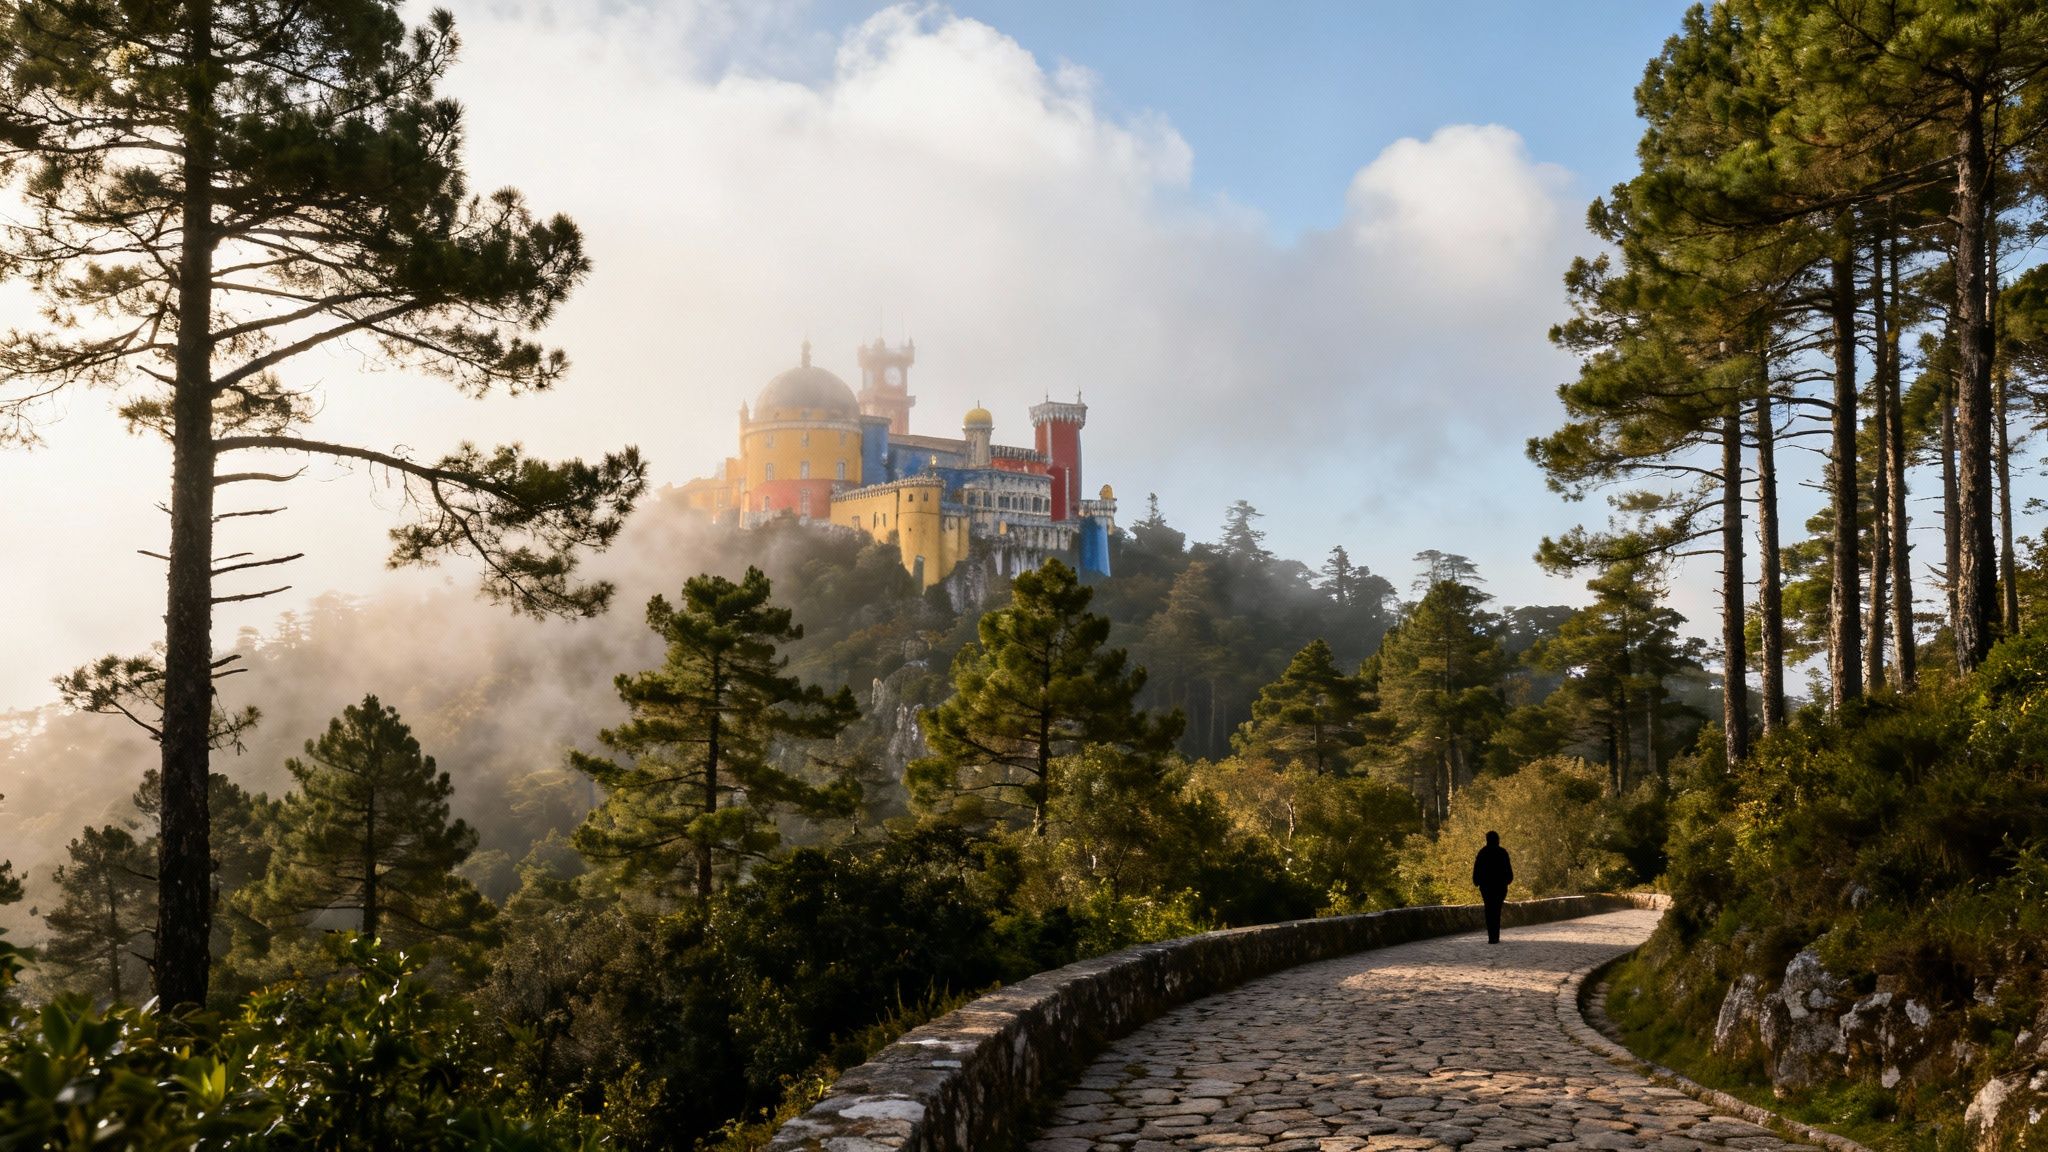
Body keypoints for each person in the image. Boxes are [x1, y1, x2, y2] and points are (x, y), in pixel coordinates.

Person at [1471, 830, 1513, 944]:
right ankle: (1495, 936)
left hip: (1486, 887)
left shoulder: (1482, 852)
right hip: (1500, 887)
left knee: (1489, 910)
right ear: (1497, 840)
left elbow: (1477, 868)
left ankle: (1491, 937)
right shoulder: (1502, 852)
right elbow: (1508, 870)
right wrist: (1508, 880)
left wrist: (1476, 881)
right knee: (1496, 910)